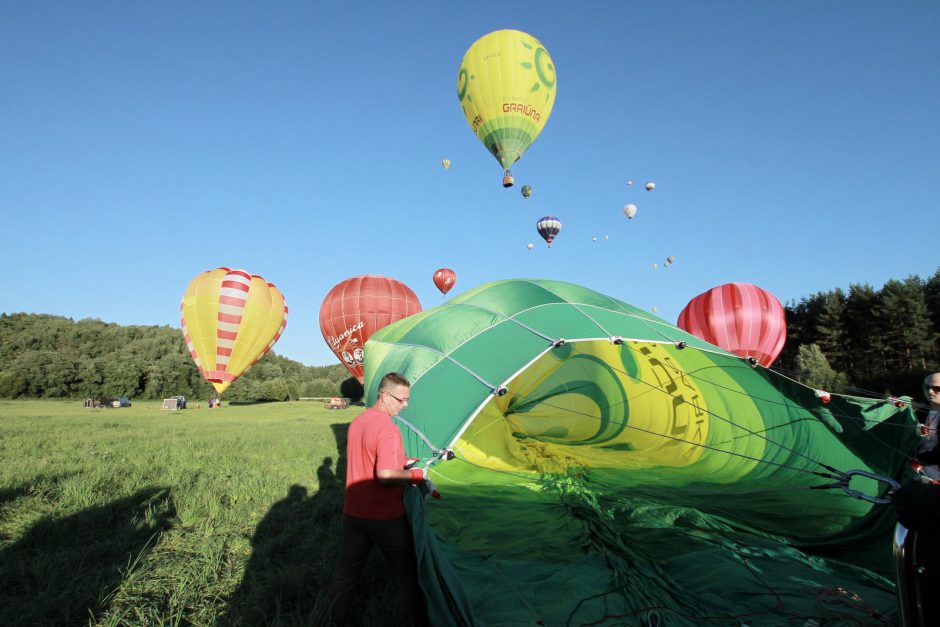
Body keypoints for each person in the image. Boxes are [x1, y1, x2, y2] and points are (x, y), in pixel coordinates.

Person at [325, 372, 429, 626]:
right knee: (406, 574)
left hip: (353, 514)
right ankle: (414, 620)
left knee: (346, 575)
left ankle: (331, 619)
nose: (405, 405)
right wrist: (418, 474)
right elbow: (384, 474)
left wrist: (403, 462)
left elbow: (369, 456)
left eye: (407, 400)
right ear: (384, 396)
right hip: (386, 518)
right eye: (401, 400)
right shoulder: (390, 430)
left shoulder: (359, 422)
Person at [915, 372, 940, 481]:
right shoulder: (921, 413)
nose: (930, 391)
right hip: (918, 469)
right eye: (927, 387)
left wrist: (917, 459)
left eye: (936, 388)